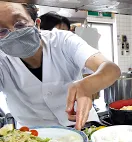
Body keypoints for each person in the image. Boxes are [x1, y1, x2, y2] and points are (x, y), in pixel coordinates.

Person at [0, 2, 121, 130]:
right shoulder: (2, 60)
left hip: (83, 127)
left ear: (37, 24)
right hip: (34, 138)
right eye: (1, 31)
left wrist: (86, 86)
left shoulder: (63, 41)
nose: (13, 33)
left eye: (20, 24)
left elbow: (111, 69)